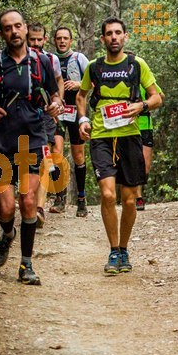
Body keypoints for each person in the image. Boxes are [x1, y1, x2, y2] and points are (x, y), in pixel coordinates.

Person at [0, 9, 62, 285]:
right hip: (2, 142)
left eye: (18, 26)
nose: (14, 32)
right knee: (6, 208)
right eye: (8, 28)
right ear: (2, 34)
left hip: (32, 140)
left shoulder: (42, 62)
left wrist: (55, 104)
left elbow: (54, 94)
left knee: (29, 200)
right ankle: (8, 235)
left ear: (25, 28)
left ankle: (26, 265)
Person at [76, 17, 162, 275]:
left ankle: (124, 249)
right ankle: (114, 250)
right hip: (101, 136)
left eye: (118, 33)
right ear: (102, 39)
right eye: (109, 34)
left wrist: (141, 105)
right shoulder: (94, 67)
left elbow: (158, 96)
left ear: (125, 37)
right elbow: (81, 96)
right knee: (107, 194)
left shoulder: (137, 64)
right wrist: (82, 119)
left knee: (129, 200)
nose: (113, 37)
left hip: (130, 136)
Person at [26, 23, 64, 227]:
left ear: (45, 39)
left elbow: (58, 81)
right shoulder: (15, 60)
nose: (36, 43)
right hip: (22, 117)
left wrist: (58, 103)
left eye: (39, 39)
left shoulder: (51, 59)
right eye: (32, 39)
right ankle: (28, 202)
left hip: (46, 115)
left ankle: (39, 208)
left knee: (44, 158)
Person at [51, 26, 89, 217]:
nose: (62, 41)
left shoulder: (79, 59)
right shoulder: (50, 60)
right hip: (57, 113)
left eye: (66, 38)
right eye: (59, 38)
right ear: (54, 40)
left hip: (76, 113)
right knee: (56, 153)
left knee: (79, 156)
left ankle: (81, 199)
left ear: (71, 40)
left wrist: (79, 84)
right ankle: (60, 198)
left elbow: (94, 82)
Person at [136, 81, 165, 211]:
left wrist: (146, 104)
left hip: (145, 125)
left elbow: (160, 96)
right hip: (126, 125)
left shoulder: (143, 79)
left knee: (145, 166)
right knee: (133, 162)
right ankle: (138, 197)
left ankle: (137, 192)